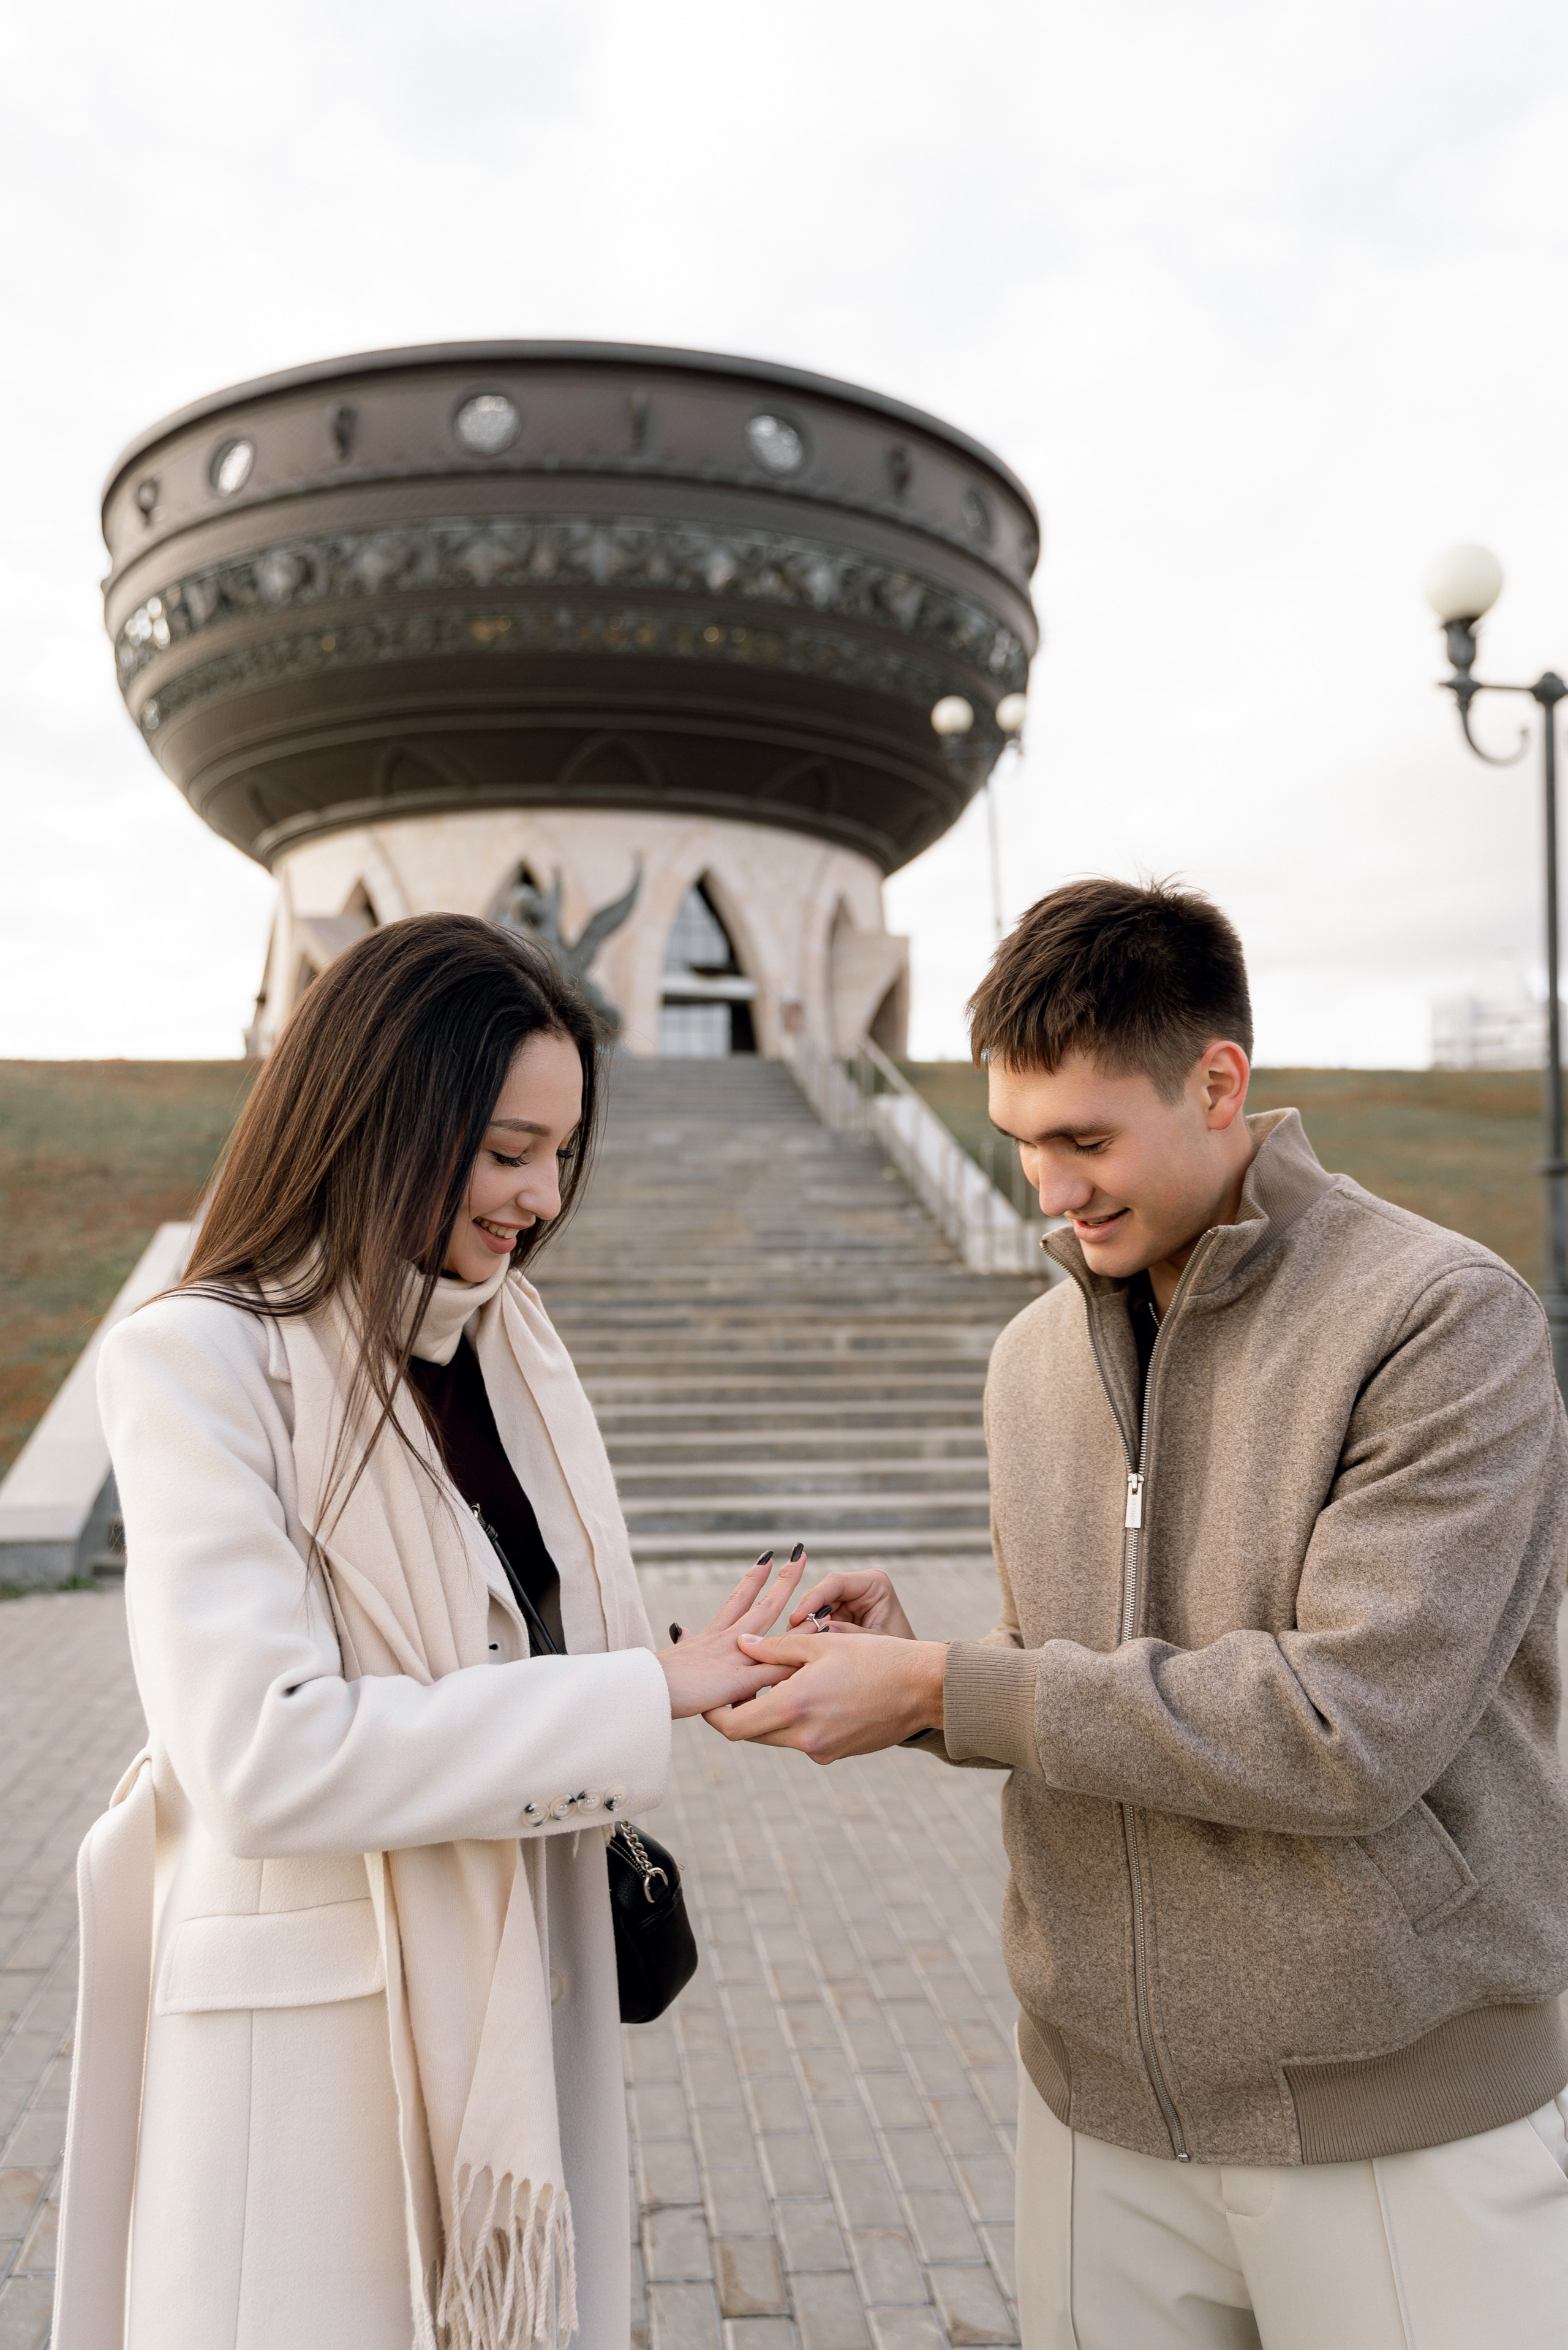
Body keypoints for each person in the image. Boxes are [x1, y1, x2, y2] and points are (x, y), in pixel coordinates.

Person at [709, 877, 1568, 2348]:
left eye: (1084, 1140)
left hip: (1395, 2119)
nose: (1047, 1187)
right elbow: (1085, 1680)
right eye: (1020, 1141)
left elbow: (1345, 1728)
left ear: (1216, 1083)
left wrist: (947, 1687)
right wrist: (917, 1670)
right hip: (1093, 2117)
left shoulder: (1438, 1316)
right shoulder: (1026, 1359)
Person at [52, 914, 804, 2350]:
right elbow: (261, 1759)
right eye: (508, 1150)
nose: (541, 1198)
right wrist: (638, 1693)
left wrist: (705, 1665)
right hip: (310, 2058)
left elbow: (534, 1642)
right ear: (385, 1118)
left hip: (522, 1979)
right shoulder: (200, 1362)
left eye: (562, 1153)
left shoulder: (507, 1345)